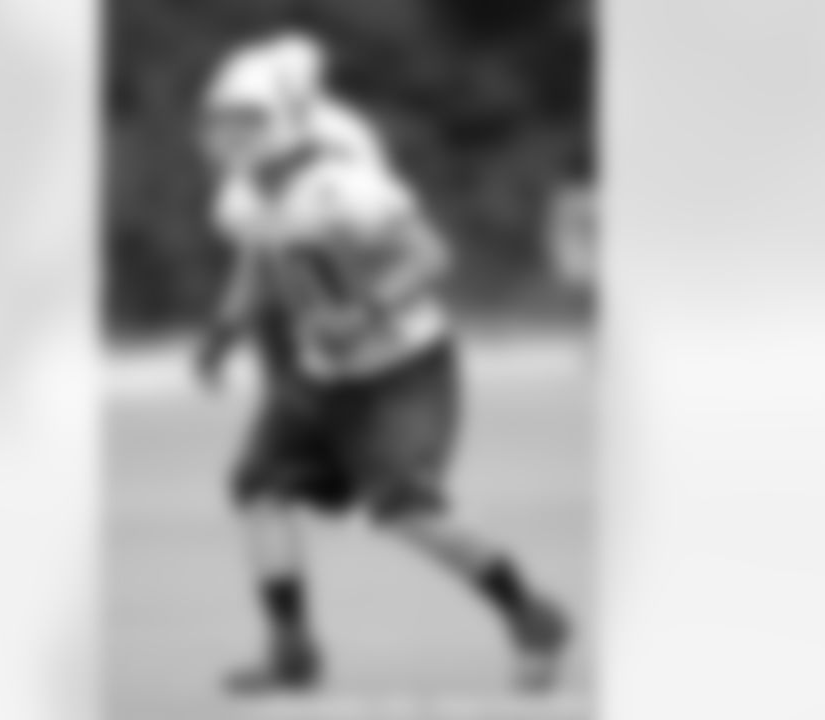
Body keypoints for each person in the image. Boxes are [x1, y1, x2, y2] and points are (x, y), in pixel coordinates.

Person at [195, 32, 569, 694]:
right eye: (222, 118)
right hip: (321, 372)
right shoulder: (245, 195)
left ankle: (530, 615)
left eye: (245, 118)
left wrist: (364, 314)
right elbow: (259, 257)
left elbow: (431, 255)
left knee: (405, 510)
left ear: (285, 118)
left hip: (402, 368)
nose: (228, 132)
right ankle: (292, 648)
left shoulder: (342, 185)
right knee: (259, 487)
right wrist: (226, 328)